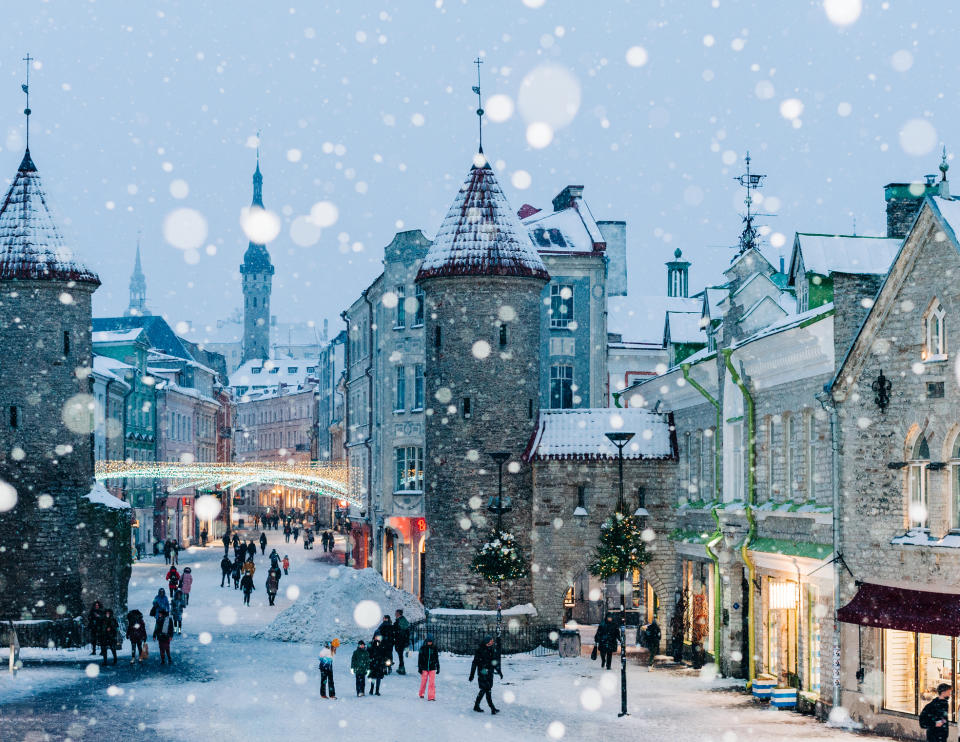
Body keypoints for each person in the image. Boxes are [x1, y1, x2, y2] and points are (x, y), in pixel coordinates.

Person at [469, 637, 501, 714]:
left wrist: (499, 671)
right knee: (487, 689)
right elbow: (475, 663)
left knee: (485, 689)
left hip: (490, 672)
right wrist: (472, 675)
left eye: (493, 641)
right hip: (482, 672)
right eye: (491, 641)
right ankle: (492, 708)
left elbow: (494, 662)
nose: (492, 642)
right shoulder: (480, 650)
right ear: (487, 642)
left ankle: (476, 706)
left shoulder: (491, 649)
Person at [417, 634, 440, 700]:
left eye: (431, 641)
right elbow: (420, 658)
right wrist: (419, 667)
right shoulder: (423, 648)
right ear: (426, 641)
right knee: (423, 681)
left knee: (431, 682)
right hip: (424, 667)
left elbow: (436, 658)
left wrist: (438, 667)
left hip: (432, 667)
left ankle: (431, 696)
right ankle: (421, 693)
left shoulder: (434, 648)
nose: (430, 642)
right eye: (429, 641)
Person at [394, 609, 410, 675]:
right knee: (400, 655)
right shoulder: (404, 620)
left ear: (398, 614)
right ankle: (401, 667)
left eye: (396, 613)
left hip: (400, 640)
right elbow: (407, 631)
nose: (395, 614)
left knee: (400, 655)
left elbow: (396, 630)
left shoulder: (399, 621)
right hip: (403, 640)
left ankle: (402, 668)